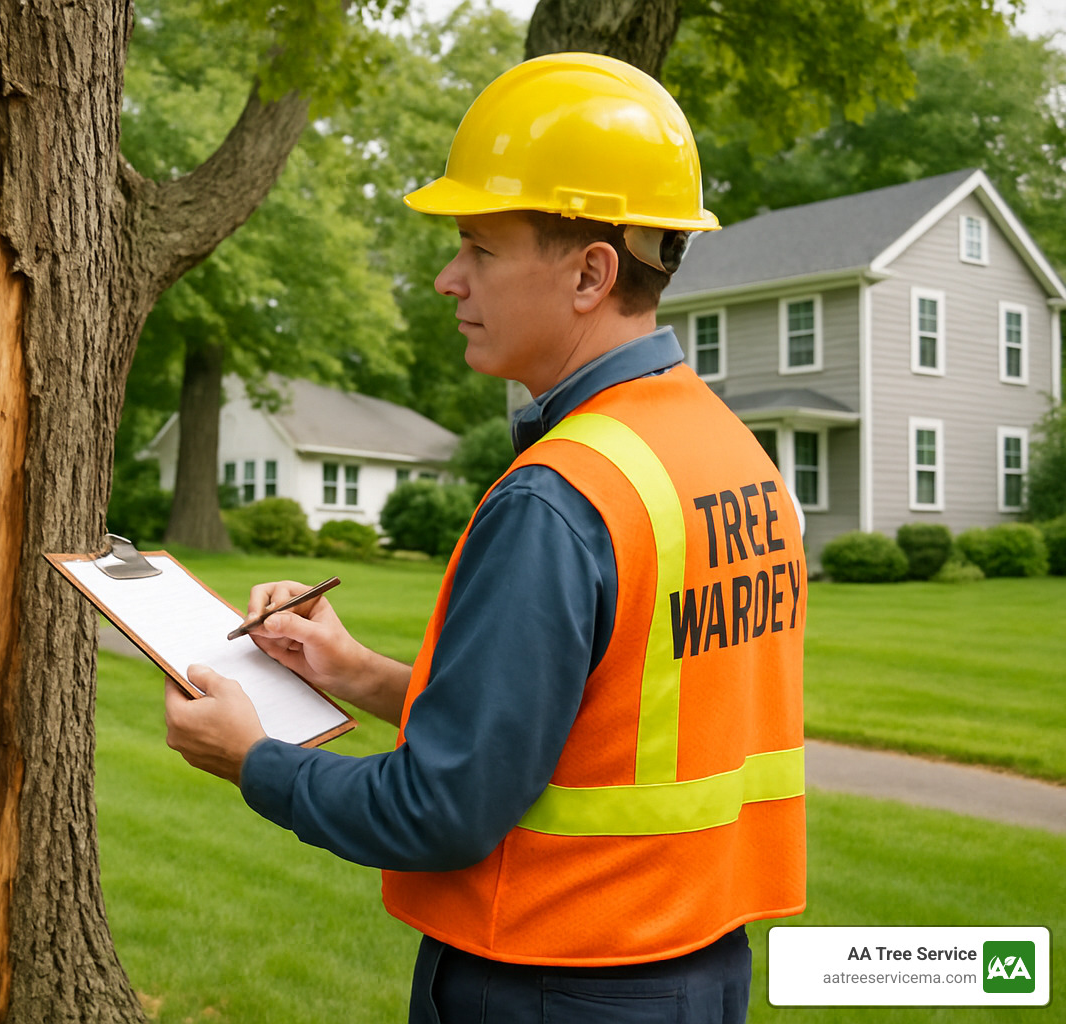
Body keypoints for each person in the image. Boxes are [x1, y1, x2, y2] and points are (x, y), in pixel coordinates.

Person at [165, 52, 807, 1024]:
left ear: (592, 271)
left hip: (553, 980)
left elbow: (443, 810)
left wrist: (253, 757)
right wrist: (350, 668)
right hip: (694, 970)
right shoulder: (729, 454)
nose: (446, 278)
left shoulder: (559, 498)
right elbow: (580, 726)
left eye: (479, 248)